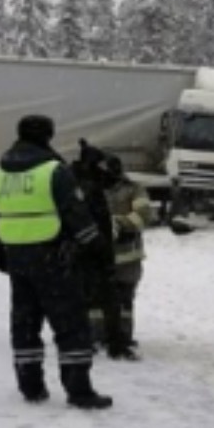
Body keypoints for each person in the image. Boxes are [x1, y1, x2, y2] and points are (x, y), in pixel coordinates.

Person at [0, 115, 112, 409]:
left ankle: (31, 386)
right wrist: (95, 246)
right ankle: (79, 390)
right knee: (70, 324)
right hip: (54, 257)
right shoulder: (54, 170)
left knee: (25, 323)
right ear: (48, 136)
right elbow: (75, 213)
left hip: (17, 259)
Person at [72, 142, 124, 360]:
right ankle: (109, 343)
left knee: (93, 298)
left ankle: (106, 341)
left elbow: (112, 180)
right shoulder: (85, 185)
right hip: (91, 250)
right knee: (100, 297)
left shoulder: (80, 180)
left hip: (87, 249)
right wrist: (96, 244)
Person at [102, 152, 156, 360]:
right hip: (97, 256)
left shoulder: (134, 189)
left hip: (127, 257)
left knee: (124, 299)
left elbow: (144, 215)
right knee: (95, 300)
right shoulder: (90, 187)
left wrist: (116, 223)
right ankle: (99, 335)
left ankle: (122, 337)